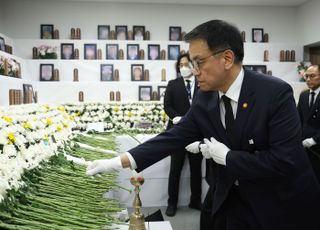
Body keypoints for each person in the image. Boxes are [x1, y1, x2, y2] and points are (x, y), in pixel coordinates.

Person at [86, 20, 320, 230]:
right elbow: (173, 137)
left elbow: (284, 160)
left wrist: (228, 157)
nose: (193, 71)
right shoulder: (205, 98)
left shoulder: (274, 93)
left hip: (280, 202)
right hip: (234, 199)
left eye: (199, 62)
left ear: (227, 58)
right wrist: (116, 162)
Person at [163, 53, 202, 216]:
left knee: (196, 169)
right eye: (181, 65)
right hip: (177, 132)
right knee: (175, 169)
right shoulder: (173, 84)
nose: (184, 67)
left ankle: (196, 201)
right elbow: (167, 105)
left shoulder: (202, 84)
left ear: (194, 66)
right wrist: (177, 118)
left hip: (196, 132)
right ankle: (172, 203)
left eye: (187, 64)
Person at [297, 64, 320, 182]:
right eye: (306, 76)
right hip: (303, 147)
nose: (308, 79)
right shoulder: (304, 95)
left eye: (312, 76)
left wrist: (314, 140)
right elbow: (298, 118)